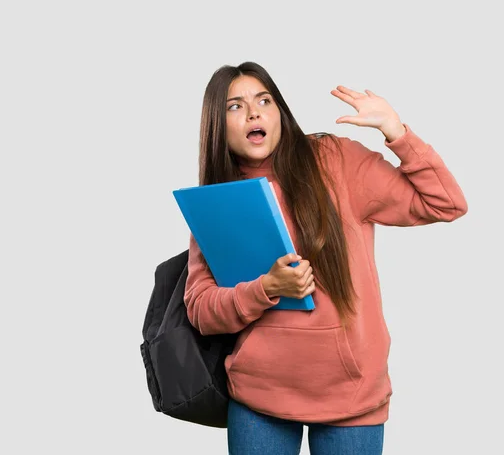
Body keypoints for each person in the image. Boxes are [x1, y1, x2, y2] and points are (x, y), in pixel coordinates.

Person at [183, 61, 468, 455]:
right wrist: (265, 289)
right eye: (235, 106)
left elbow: (445, 203)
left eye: (264, 100)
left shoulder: (336, 160)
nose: (253, 112)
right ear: (218, 125)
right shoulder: (217, 201)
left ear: (279, 111)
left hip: (352, 398)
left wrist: (397, 132)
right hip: (259, 397)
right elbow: (200, 309)